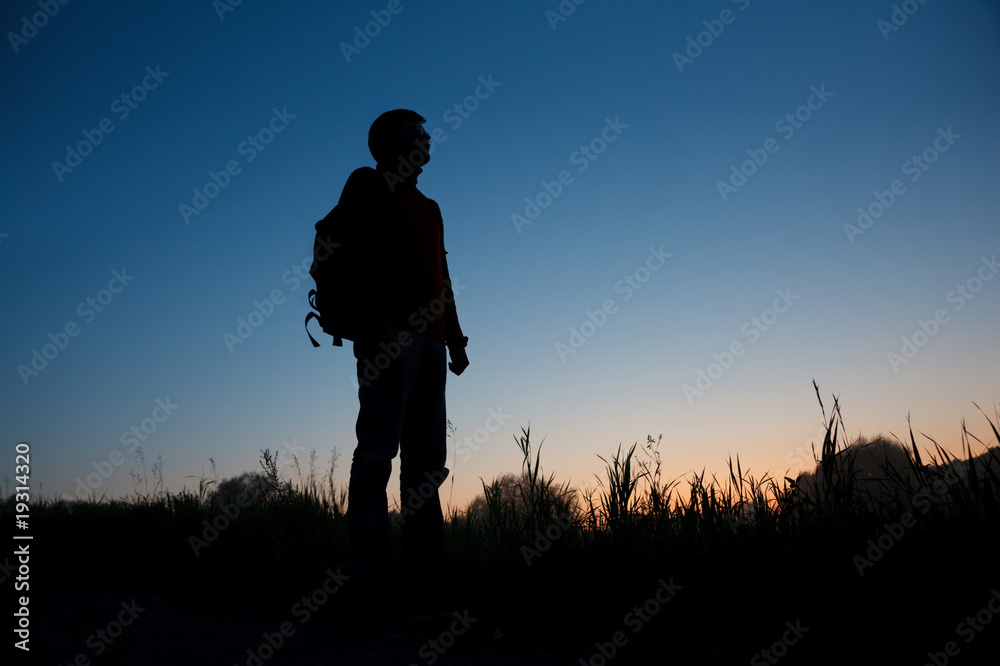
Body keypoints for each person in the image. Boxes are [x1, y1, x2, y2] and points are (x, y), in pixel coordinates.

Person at [342, 109, 469, 614]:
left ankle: (428, 572)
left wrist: (455, 339)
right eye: (418, 132)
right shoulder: (366, 186)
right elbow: (355, 257)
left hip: (432, 343)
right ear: (392, 143)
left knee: (426, 462)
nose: (428, 138)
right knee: (376, 454)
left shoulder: (431, 206)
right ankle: (371, 578)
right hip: (389, 337)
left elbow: (442, 275)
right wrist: (378, 326)